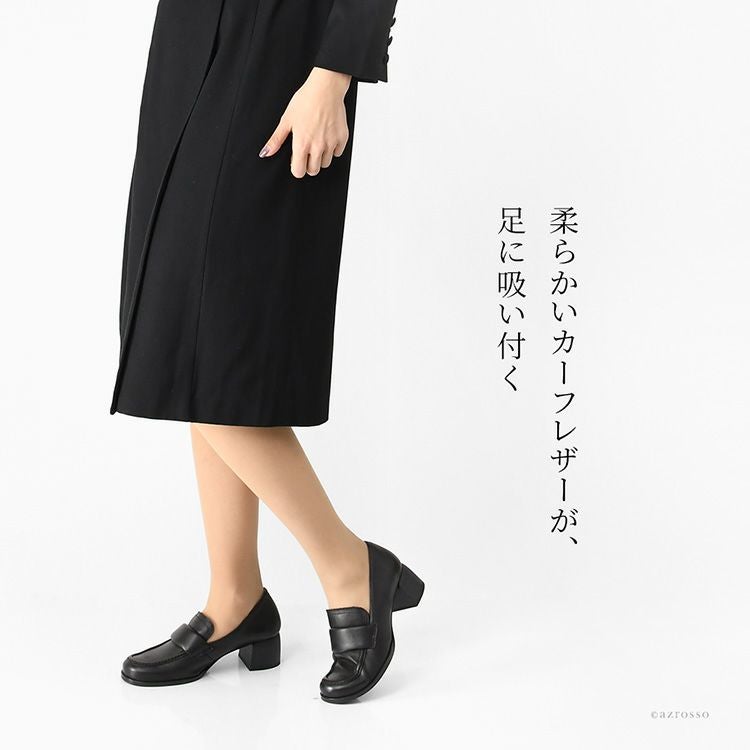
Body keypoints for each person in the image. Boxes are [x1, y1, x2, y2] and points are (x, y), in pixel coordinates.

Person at [111, 0, 423, 702]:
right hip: (187, 46)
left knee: (215, 338)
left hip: (286, 56)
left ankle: (350, 567)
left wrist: (333, 73)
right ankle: (235, 595)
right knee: (187, 334)